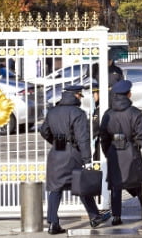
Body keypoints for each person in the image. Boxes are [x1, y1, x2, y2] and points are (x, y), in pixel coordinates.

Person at [40, 85, 111, 234]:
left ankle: (53, 223)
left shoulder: (52, 111)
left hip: (56, 151)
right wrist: (87, 160)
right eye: (80, 96)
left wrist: (56, 141)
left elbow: (44, 131)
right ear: (76, 96)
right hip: (72, 153)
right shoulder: (77, 113)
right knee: (81, 184)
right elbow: (82, 138)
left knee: (55, 188)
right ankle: (94, 216)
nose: (80, 98)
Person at [99, 80, 142, 226]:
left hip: (114, 152)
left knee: (116, 186)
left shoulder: (108, 114)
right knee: (139, 184)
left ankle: (116, 216)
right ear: (129, 94)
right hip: (131, 150)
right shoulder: (134, 113)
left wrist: (107, 152)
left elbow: (103, 136)